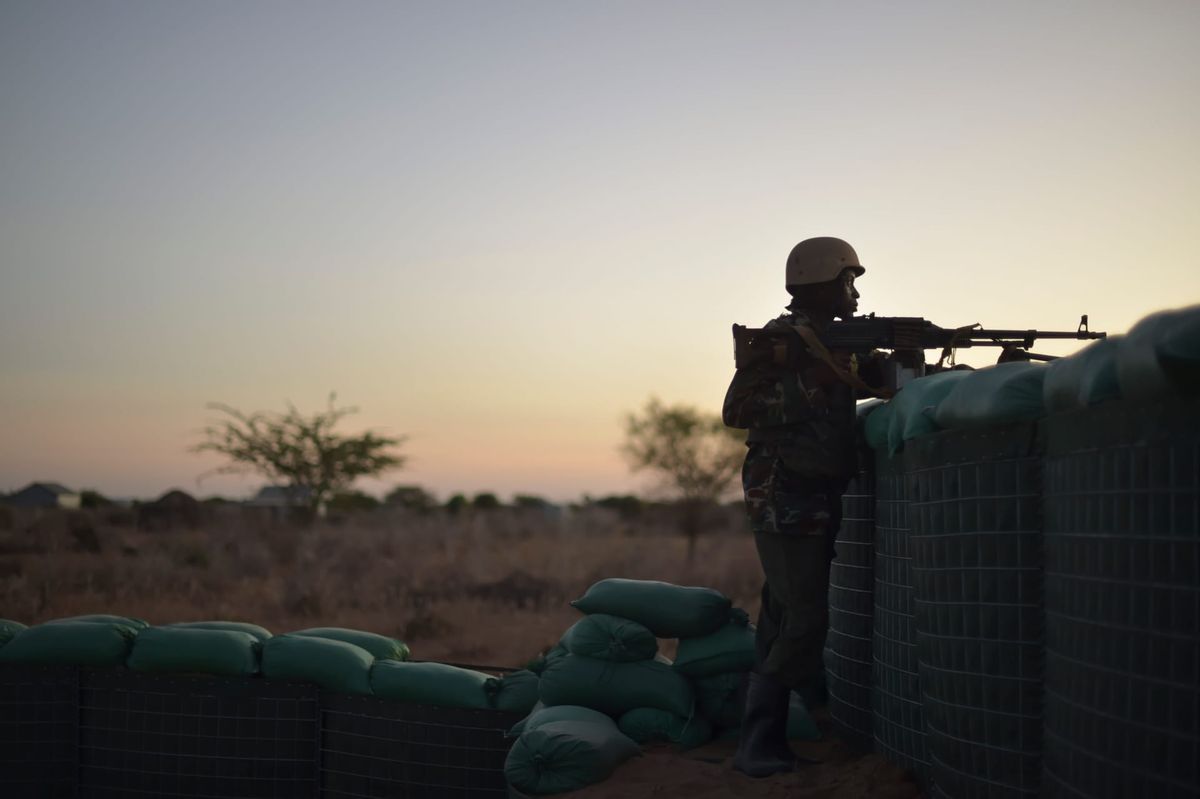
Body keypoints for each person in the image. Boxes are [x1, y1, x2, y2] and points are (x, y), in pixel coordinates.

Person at [722, 236, 872, 778]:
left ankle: (764, 740)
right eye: (847, 280)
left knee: (784, 613)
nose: (854, 292)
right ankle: (757, 740)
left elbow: (875, 380)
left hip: (812, 492)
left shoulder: (835, 343)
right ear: (820, 281)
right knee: (806, 616)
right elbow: (738, 408)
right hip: (783, 492)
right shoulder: (783, 341)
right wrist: (818, 382)